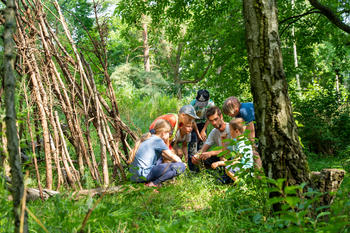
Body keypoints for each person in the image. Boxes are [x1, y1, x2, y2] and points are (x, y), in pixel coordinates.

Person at [129, 119, 186, 187]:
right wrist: (182, 163)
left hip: (134, 177)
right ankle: (154, 183)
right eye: (169, 133)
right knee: (181, 167)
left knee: (161, 158)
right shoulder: (157, 141)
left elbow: (165, 156)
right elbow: (172, 156)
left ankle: (151, 182)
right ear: (163, 133)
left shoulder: (148, 138)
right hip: (143, 175)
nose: (169, 135)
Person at [222, 96, 262, 169]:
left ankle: (258, 174)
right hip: (257, 131)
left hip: (259, 130)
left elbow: (251, 127)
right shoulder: (240, 112)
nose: (229, 116)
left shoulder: (243, 111)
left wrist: (252, 145)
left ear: (235, 110)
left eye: (229, 114)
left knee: (255, 154)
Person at [211, 118, 254, 182]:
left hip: (246, 168)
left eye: (230, 130)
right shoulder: (235, 141)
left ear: (236, 131)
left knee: (228, 169)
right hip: (239, 166)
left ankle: (242, 185)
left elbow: (238, 161)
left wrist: (219, 163)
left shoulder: (242, 144)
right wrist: (223, 141)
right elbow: (225, 154)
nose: (229, 132)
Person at [188, 90, 215, 171]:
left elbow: (209, 118)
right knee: (193, 145)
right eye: (200, 102)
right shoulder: (192, 104)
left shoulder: (211, 104)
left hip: (203, 125)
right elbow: (192, 120)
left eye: (203, 103)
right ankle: (192, 169)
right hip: (194, 125)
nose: (201, 105)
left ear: (208, 99)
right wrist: (198, 134)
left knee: (202, 146)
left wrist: (203, 130)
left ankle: (200, 168)